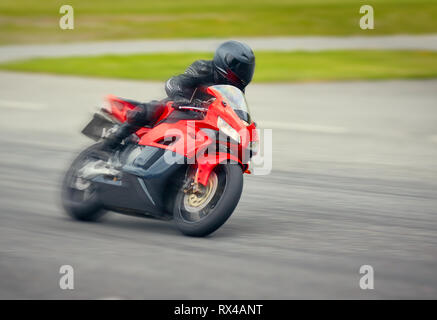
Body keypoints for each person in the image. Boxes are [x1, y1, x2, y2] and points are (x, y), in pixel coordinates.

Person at [102, 40, 256, 150]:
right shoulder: (204, 68)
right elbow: (174, 82)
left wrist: (246, 127)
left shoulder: (235, 88)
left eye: (245, 72)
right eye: (238, 72)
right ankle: (111, 142)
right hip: (179, 110)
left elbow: (234, 111)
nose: (241, 77)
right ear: (224, 62)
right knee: (155, 107)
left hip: (203, 124)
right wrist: (181, 98)